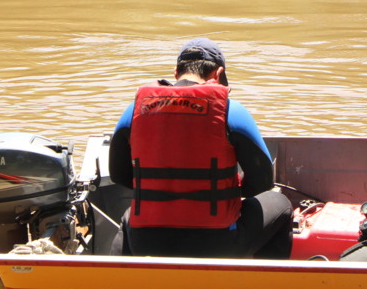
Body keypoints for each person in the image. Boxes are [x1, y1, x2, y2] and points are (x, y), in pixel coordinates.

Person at [107, 38, 293, 259]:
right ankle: (263, 288)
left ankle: (126, 287)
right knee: (281, 204)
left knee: (130, 216)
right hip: (217, 243)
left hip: (146, 242)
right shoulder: (231, 111)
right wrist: (221, 191)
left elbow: (119, 175)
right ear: (218, 74)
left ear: (176, 73)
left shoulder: (135, 111)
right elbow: (262, 182)